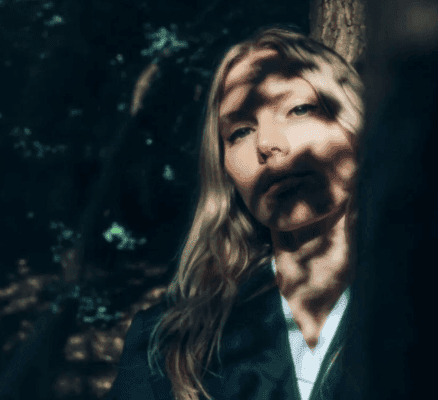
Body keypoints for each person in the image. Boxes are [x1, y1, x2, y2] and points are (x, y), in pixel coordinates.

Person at [104, 26, 364, 400]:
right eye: (240, 131)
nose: (267, 144)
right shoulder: (165, 345)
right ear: (224, 169)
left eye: (298, 109)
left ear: (356, 125)